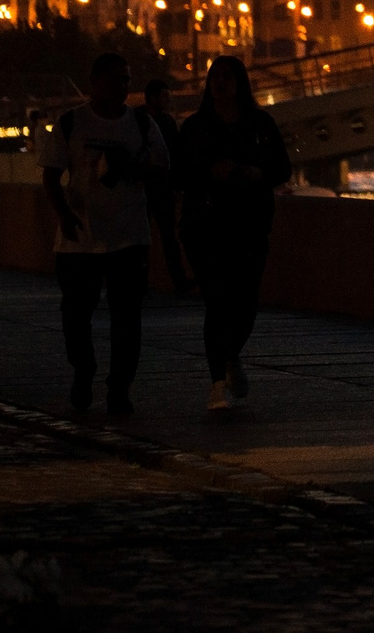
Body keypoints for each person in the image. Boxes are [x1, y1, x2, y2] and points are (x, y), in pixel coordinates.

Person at [38, 52, 170, 415]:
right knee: (76, 316)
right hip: (79, 239)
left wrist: (137, 168)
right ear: (94, 82)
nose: (124, 87)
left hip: (129, 236)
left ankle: (119, 389)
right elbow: (50, 174)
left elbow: (163, 171)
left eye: (127, 80)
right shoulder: (71, 123)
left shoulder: (142, 125)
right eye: (116, 79)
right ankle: (84, 371)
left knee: (127, 318)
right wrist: (63, 214)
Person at [176, 55, 292, 412]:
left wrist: (256, 174)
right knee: (217, 301)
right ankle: (216, 386)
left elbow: (282, 168)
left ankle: (231, 356)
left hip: (249, 225)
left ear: (240, 83)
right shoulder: (195, 128)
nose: (220, 83)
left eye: (226, 77)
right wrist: (211, 172)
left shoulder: (261, 124)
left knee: (245, 305)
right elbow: (179, 174)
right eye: (215, 78)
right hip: (206, 226)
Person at [139, 73, 194, 294]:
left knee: (152, 238)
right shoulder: (158, 122)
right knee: (161, 238)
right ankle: (178, 281)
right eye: (164, 96)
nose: (168, 100)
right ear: (151, 98)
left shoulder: (143, 120)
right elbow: (175, 155)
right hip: (155, 188)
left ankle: (144, 284)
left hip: (156, 188)